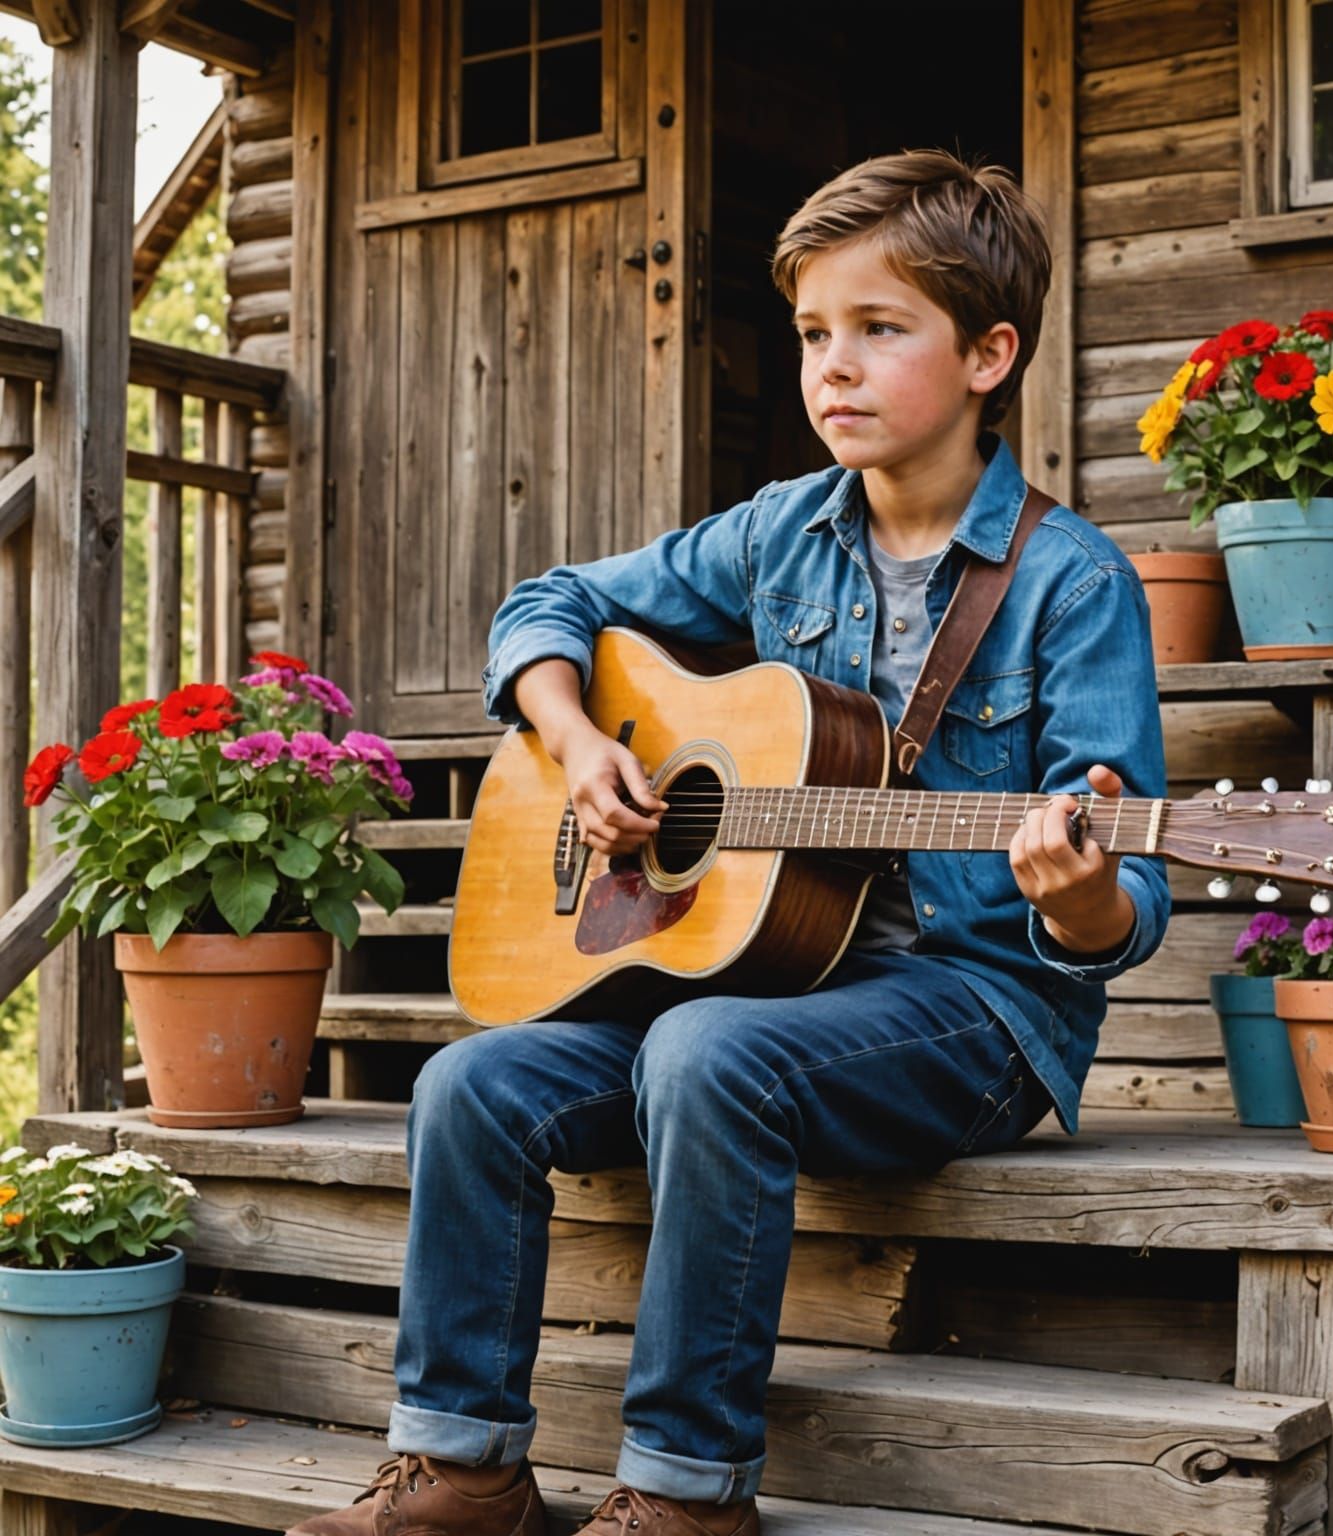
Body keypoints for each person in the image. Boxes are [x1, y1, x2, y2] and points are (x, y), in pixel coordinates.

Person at [290, 148, 1170, 1536]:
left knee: (709, 1051)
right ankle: (465, 1470)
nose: (836, 367)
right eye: (817, 332)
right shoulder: (777, 536)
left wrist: (1085, 899)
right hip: (764, 986)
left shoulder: (1074, 582)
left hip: (975, 1008)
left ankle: (686, 1494)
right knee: (470, 1082)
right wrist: (580, 745)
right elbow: (551, 598)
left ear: (991, 353)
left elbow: (1132, 906)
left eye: (882, 330)